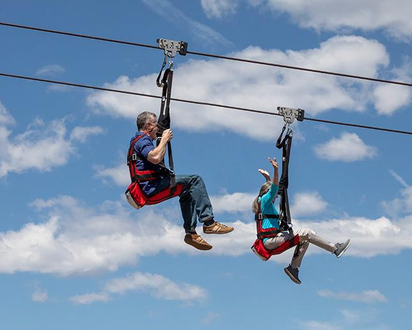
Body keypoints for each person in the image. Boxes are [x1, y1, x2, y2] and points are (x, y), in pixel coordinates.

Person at [132, 111, 233, 250]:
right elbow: (155, 157)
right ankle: (209, 223)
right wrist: (164, 139)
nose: (158, 128)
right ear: (148, 125)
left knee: (187, 190)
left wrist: (162, 141)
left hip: (150, 188)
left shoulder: (139, 140)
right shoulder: (142, 140)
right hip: (151, 189)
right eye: (156, 124)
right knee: (195, 180)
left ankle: (191, 233)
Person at [254, 157, 350, 284]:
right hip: (271, 241)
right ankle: (335, 249)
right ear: (267, 193)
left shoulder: (263, 202)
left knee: (305, 238)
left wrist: (267, 178)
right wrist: (276, 170)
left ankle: (293, 268)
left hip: (272, 240)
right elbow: (273, 188)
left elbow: (269, 189)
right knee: (306, 232)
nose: (276, 196)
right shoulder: (265, 201)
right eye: (274, 194)